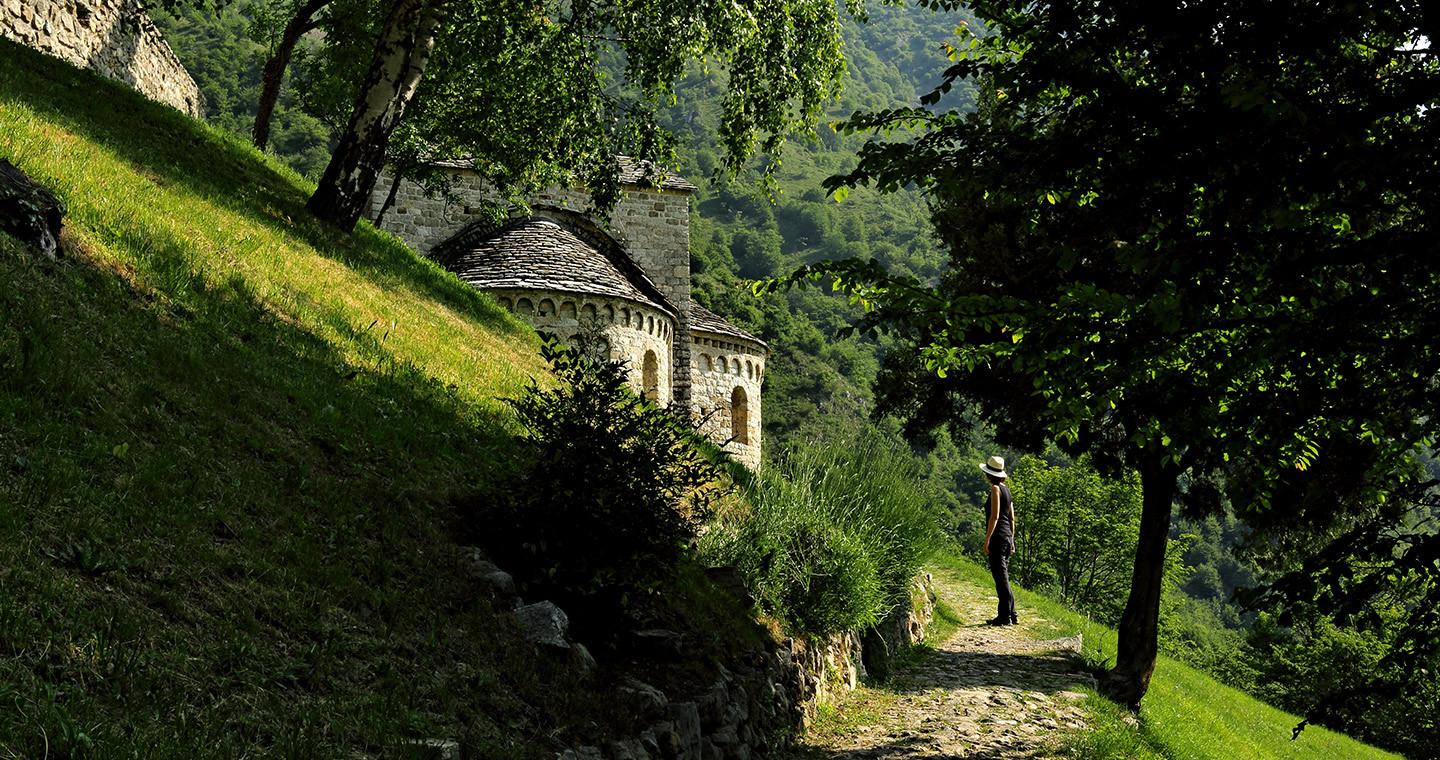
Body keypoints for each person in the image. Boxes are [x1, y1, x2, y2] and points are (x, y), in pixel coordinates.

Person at [980, 455, 1017, 626]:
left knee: (1000, 577)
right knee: (1004, 576)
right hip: (1007, 536)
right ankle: (1012, 613)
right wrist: (1012, 539)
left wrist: (987, 539)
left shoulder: (995, 490)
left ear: (988, 474)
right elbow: (1011, 518)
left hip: (998, 536)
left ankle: (1004, 616)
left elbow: (994, 516)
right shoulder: (1006, 490)